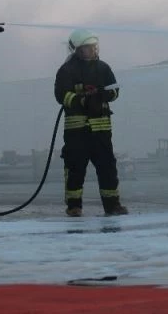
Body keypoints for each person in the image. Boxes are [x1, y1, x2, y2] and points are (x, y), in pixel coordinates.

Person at [54, 29, 128, 217]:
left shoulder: (103, 68)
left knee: (108, 169)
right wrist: (82, 101)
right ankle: (74, 207)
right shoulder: (67, 70)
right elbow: (61, 95)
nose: (93, 50)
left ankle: (113, 206)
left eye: (94, 46)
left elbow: (115, 90)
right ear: (78, 49)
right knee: (75, 169)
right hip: (76, 132)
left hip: (101, 132)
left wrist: (103, 95)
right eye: (89, 47)